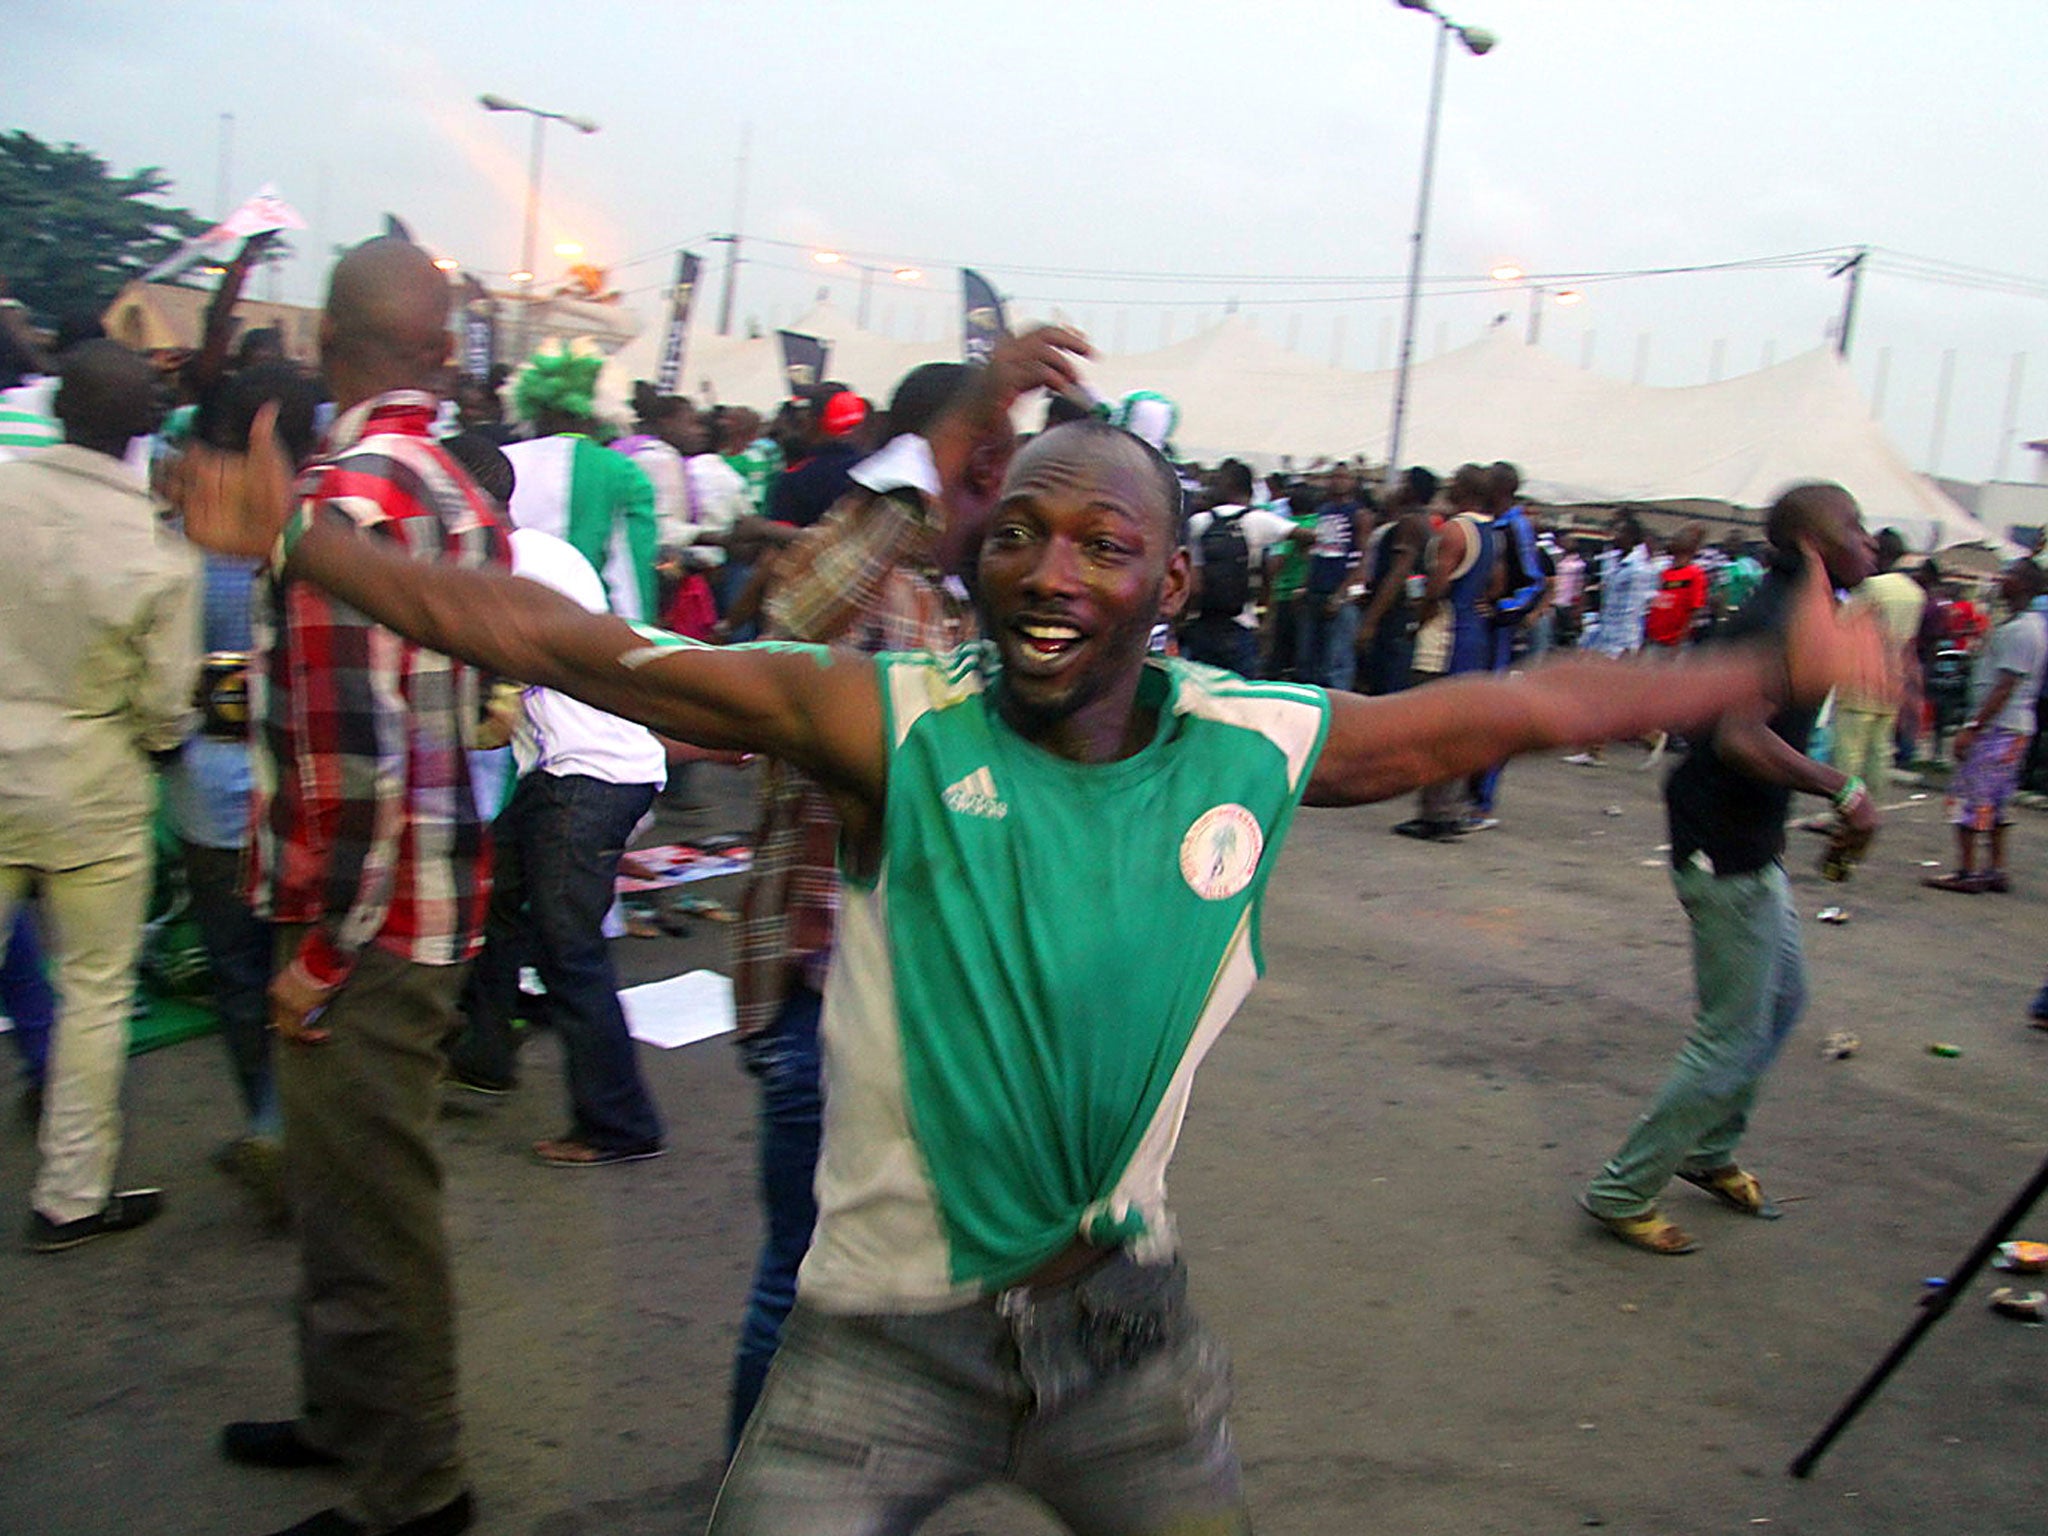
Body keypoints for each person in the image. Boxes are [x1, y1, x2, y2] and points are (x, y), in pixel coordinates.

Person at [182, 346, 1887, 1533]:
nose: (1047, 570)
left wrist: (1755, 666)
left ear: (1167, 586)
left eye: (1101, 543)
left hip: (1120, 1343)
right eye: (1019, 532)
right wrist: (308, 540)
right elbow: (570, 644)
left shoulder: (1252, 741)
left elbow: (1510, 702)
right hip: (876, 1344)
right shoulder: (891, 723)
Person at [199, 237, 507, 1536]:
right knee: (347, 1196)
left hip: (371, 925)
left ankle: (416, 1494)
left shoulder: (342, 499)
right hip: (429, 902)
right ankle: (346, 1419)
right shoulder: (449, 484)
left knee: (375, 1219)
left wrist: (319, 959)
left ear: (329, 346)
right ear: (441, 353)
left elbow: (368, 761)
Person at [725, 356, 992, 1455]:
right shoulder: (858, 575)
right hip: (823, 999)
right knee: (803, 1284)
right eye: (982, 469)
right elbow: (791, 612)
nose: (996, 494)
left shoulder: (951, 600)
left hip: (914, 1009)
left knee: (890, 1290)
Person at [1580, 483, 1880, 1256]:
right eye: (1855, 527)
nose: (1871, 541)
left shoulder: (1805, 607)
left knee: (1782, 1004)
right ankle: (1623, 1188)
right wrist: (1840, 787)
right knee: (1730, 1034)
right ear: (1816, 545)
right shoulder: (1778, 618)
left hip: (1749, 841)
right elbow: (1739, 738)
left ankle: (1708, 1151)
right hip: (1722, 848)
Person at [0, 339, 199, 1253]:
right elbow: (166, 707)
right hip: (95, 787)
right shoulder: (157, 551)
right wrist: (154, 744)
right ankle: (70, 1195)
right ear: (144, 426)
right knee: (93, 995)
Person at [450, 524, 670, 1163]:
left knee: (566, 948)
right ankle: (483, 1055)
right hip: (566, 771)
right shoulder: (541, 550)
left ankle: (620, 1123)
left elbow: (495, 715)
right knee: (493, 899)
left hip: (587, 775)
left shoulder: (506, 565)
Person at [503, 347, 658, 622]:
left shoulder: (503, 458)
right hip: (584, 632)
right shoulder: (620, 470)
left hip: (503, 621)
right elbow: (630, 576)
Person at [1924, 558, 2048, 894]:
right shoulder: (2023, 625)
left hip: (1999, 728)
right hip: (2012, 728)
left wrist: (1973, 727)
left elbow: (2004, 687)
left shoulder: (2023, 630)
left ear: (2023, 584)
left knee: (1971, 797)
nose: (2000, 580)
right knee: (1995, 801)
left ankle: (1967, 871)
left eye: (2009, 576)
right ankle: (1994, 869)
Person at [1396, 464, 1498, 839]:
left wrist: (1417, 621)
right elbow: (1494, 584)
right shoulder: (1490, 533)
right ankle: (1449, 810)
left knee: (1434, 726)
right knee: (1459, 725)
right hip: (1473, 634)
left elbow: (1437, 587)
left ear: (1463, 490)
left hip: (1444, 635)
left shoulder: (1455, 531)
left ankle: (1434, 814)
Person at [1829, 528, 1926, 811]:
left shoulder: (1872, 588)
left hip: (1860, 678)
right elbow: (1910, 644)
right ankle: (1874, 806)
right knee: (1879, 753)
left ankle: (1846, 812)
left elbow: (1843, 624)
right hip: (1892, 680)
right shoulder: (1915, 593)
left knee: (1849, 753)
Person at [1179, 458, 1295, 675]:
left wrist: (1181, 622)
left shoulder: (1198, 522)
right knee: (1241, 698)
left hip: (1201, 624)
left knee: (1198, 695)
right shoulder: (1259, 520)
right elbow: (1307, 536)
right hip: (1241, 624)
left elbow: (1194, 585)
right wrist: (1283, 568)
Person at [1563, 511, 1659, 765]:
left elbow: (1636, 609)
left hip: (1620, 639)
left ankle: (1650, 735)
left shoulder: (1640, 570)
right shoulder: (1616, 560)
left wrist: (1628, 646)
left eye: (1619, 532)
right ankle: (1595, 749)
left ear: (1631, 537)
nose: (1614, 536)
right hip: (1604, 634)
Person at [1355, 465, 1438, 695]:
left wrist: (1370, 622)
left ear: (1412, 490)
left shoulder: (1410, 523)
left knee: (1385, 685)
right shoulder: (1424, 523)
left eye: (1402, 484)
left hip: (1393, 617)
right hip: (1402, 614)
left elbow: (1398, 574)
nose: (1396, 489)